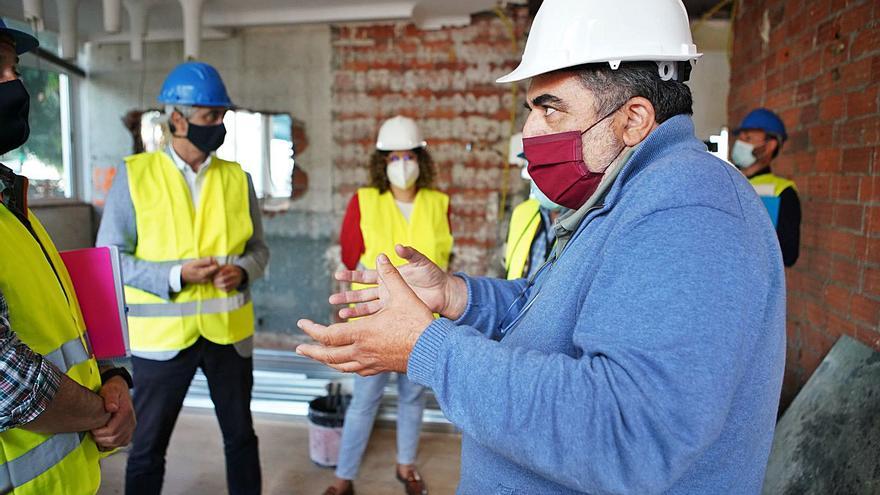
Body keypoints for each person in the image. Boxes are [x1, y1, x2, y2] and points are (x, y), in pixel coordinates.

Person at [296, 0, 787, 493]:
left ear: (634, 118)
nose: (528, 131)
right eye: (531, 108)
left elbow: (629, 434)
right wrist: (456, 297)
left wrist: (430, 348)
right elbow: (552, 312)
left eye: (549, 107)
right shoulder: (622, 196)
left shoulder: (690, 210)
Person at [96, 61, 269, 495]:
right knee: (148, 447)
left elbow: (259, 251)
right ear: (177, 118)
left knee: (241, 440)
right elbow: (110, 259)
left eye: (221, 117)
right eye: (210, 117)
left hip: (228, 335)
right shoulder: (134, 176)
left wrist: (242, 270)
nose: (218, 126)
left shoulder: (238, 179)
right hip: (163, 339)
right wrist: (175, 275)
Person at [0, 19, 135, 495]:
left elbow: (63, 317)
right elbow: (5, 381)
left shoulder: (11, 203)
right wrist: (104, 411)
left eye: (12, 67)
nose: (14, 84)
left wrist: (115, 376)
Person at [326, 115, 452, 495]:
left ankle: (406, 466)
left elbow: (445, 261)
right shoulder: (363, 202)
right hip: (373, 318)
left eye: (408, 156)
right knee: (365, 398)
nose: (401, 165)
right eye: (393, 158)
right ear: (382, 162)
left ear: (420, 159)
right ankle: (343, 476)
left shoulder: (438, 203)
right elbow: (349, 261)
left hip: (422, 321)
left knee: (413, 395)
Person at [731, 108, 801, 266]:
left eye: (748, 138)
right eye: (740, 138)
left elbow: (788, 255)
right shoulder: (729, 182)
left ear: (769, 146)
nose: (740, 144)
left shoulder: (782, 192)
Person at [503, 133, 564, 280]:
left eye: (547, 168)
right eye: (534, 167)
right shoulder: (522, 212)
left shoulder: (585, 217)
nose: (538, 175)